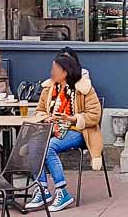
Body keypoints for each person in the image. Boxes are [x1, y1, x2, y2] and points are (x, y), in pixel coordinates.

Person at [26, 54, 104, 212]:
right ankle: (42, 190)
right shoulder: (49, 88)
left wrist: (73, 118)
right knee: (33, 145)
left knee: (49, 147)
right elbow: (40, 110)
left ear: (65, 72)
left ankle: (62, 192)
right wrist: (45, 118)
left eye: (54, 69)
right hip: (53, 128)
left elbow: (95, 115)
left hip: (78, 130)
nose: (51, 72)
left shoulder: (84, 89)